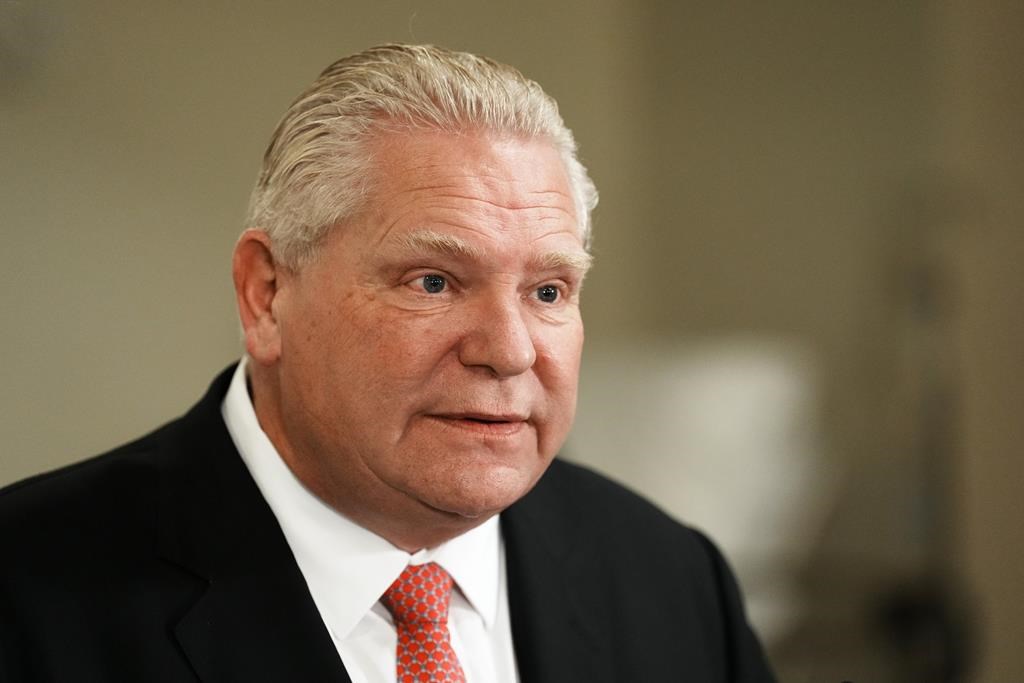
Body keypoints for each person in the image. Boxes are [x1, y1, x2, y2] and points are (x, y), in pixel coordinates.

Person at [0, 44, 776, 682]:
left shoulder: (672, 579)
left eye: (547, 290)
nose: (508, 350)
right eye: (433, 281)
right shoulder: (25, 595)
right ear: (267, 295)